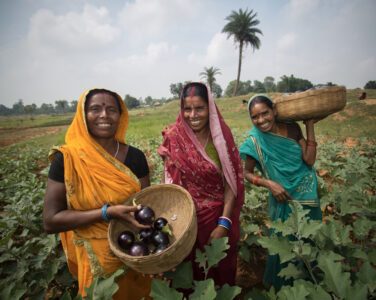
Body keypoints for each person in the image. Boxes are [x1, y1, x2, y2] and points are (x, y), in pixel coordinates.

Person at [43, 88, 152, 299]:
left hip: (134, 255)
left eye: (111, 109)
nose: (104, 115)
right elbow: (50, 221)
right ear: (83, 116)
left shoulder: (135, 157)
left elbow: (146, 211)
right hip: (96, 266)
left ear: (120, 116)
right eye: (95, 109)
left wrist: (155, 254)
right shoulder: (67, 159)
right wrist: (106, 213)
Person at [157, 82, 244, 286]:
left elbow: (230, 184)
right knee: (187, 277)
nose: (193, 115)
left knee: (218, 272)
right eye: (187, 109)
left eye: (199, 108)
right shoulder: (174, 138)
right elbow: (167, 181)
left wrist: (224, 223)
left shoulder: (220, 140)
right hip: (184, 222)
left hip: (216, 221)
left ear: (210, 109)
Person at [239, 94, 322, 291]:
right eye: (255, 117)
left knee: (308, 241)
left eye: (265, 113)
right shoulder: (254, 141)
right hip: (281, 197)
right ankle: (285, 290)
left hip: (306, 193)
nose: (261, 120)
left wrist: (309, 125)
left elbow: (309, 160)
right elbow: (246, 172)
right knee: (285, 245)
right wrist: (269, 184)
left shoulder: (293, 128)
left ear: (274, 111)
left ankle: (309, 288)